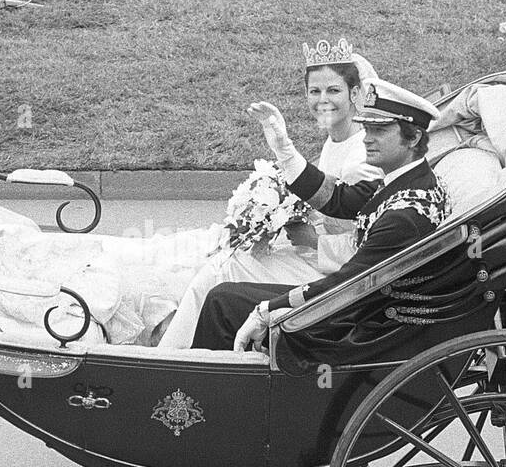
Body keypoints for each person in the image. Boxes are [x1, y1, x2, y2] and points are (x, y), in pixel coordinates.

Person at [191, 80, 449, 352]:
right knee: (225, 295)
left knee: (223, 303)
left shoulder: (404, 214)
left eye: (380, 130)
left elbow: (348, 284)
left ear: (414, 138)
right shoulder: (407, 180)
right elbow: (338, 199)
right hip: (369, 308)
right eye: (367, 128)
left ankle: (197, 391)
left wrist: (267, 309)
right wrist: (284, 148)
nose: (366, 138)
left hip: (361, 327)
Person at [156, 39, 381, 347]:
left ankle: (176, 359)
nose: (323, 100)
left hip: (337, 271)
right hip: (314, 254)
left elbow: (370, 242)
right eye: (314, 91)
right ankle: (176, 352)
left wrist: (315, 241)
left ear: (355, 94)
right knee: (225, 258)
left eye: (333, 90)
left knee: (224, 270)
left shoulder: (365, 155)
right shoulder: (335, 140)